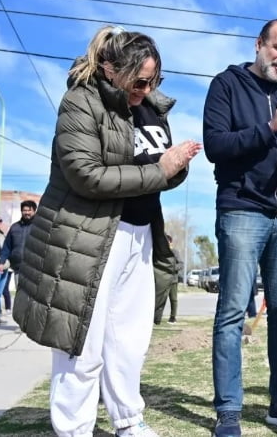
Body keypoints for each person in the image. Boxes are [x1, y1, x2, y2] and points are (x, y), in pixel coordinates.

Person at [12, 25, 201, 437]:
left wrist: (175, 169)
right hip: (89, 236)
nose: (146, 89)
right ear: (110, 68)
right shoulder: (81, 102)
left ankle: (128, 420)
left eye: (154, 80)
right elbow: (86, 175)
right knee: (82, 342)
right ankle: (74, 428)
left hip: (140, 232)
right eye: (139, 80)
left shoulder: (148, 106)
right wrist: (159, 170)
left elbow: (155, 169)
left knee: (129, 341)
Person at [202, 18, 277, 436]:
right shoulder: (227, 85)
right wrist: (268, 129)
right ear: (259, 44)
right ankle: (229, 412)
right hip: (241, 211)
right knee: (233, 312)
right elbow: (216, 147)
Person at [0, 200, 37, 314]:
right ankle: (22, 322)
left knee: (32, 294)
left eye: (29, 210)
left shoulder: (40, 227)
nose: (27, 213)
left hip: (35, 267)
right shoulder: (15, 227)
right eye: (24, 210)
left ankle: (31, 321)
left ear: (34, 211)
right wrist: (1, 261)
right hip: (18, 267)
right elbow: (7, 246)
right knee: (21, 294)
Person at [154, 233, 182, 325]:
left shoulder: (175, 252)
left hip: (173, 280)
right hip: (162, 281)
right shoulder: (161, 252)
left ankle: (173, 317)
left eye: (167, 241)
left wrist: (172, 268)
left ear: (170, 242)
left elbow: (181, 264)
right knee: (160, 299)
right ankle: (157, 317)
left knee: (173, 299)